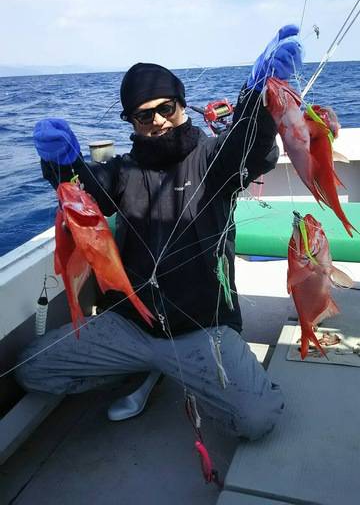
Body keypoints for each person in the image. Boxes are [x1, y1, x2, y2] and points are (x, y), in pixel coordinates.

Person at [17, 25, 302, 441]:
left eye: (166, 107)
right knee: (31, 370)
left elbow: (249, 147)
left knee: (257, 419)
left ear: (182, 105)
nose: (158, 121)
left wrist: (258, 97)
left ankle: (173, 369)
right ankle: (145, 366)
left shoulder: (212, 157)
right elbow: (85, 195)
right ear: (131, 121)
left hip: (201, 329)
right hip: (129, 325)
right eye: (144, 114)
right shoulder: (121, 170)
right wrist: (61, 164)